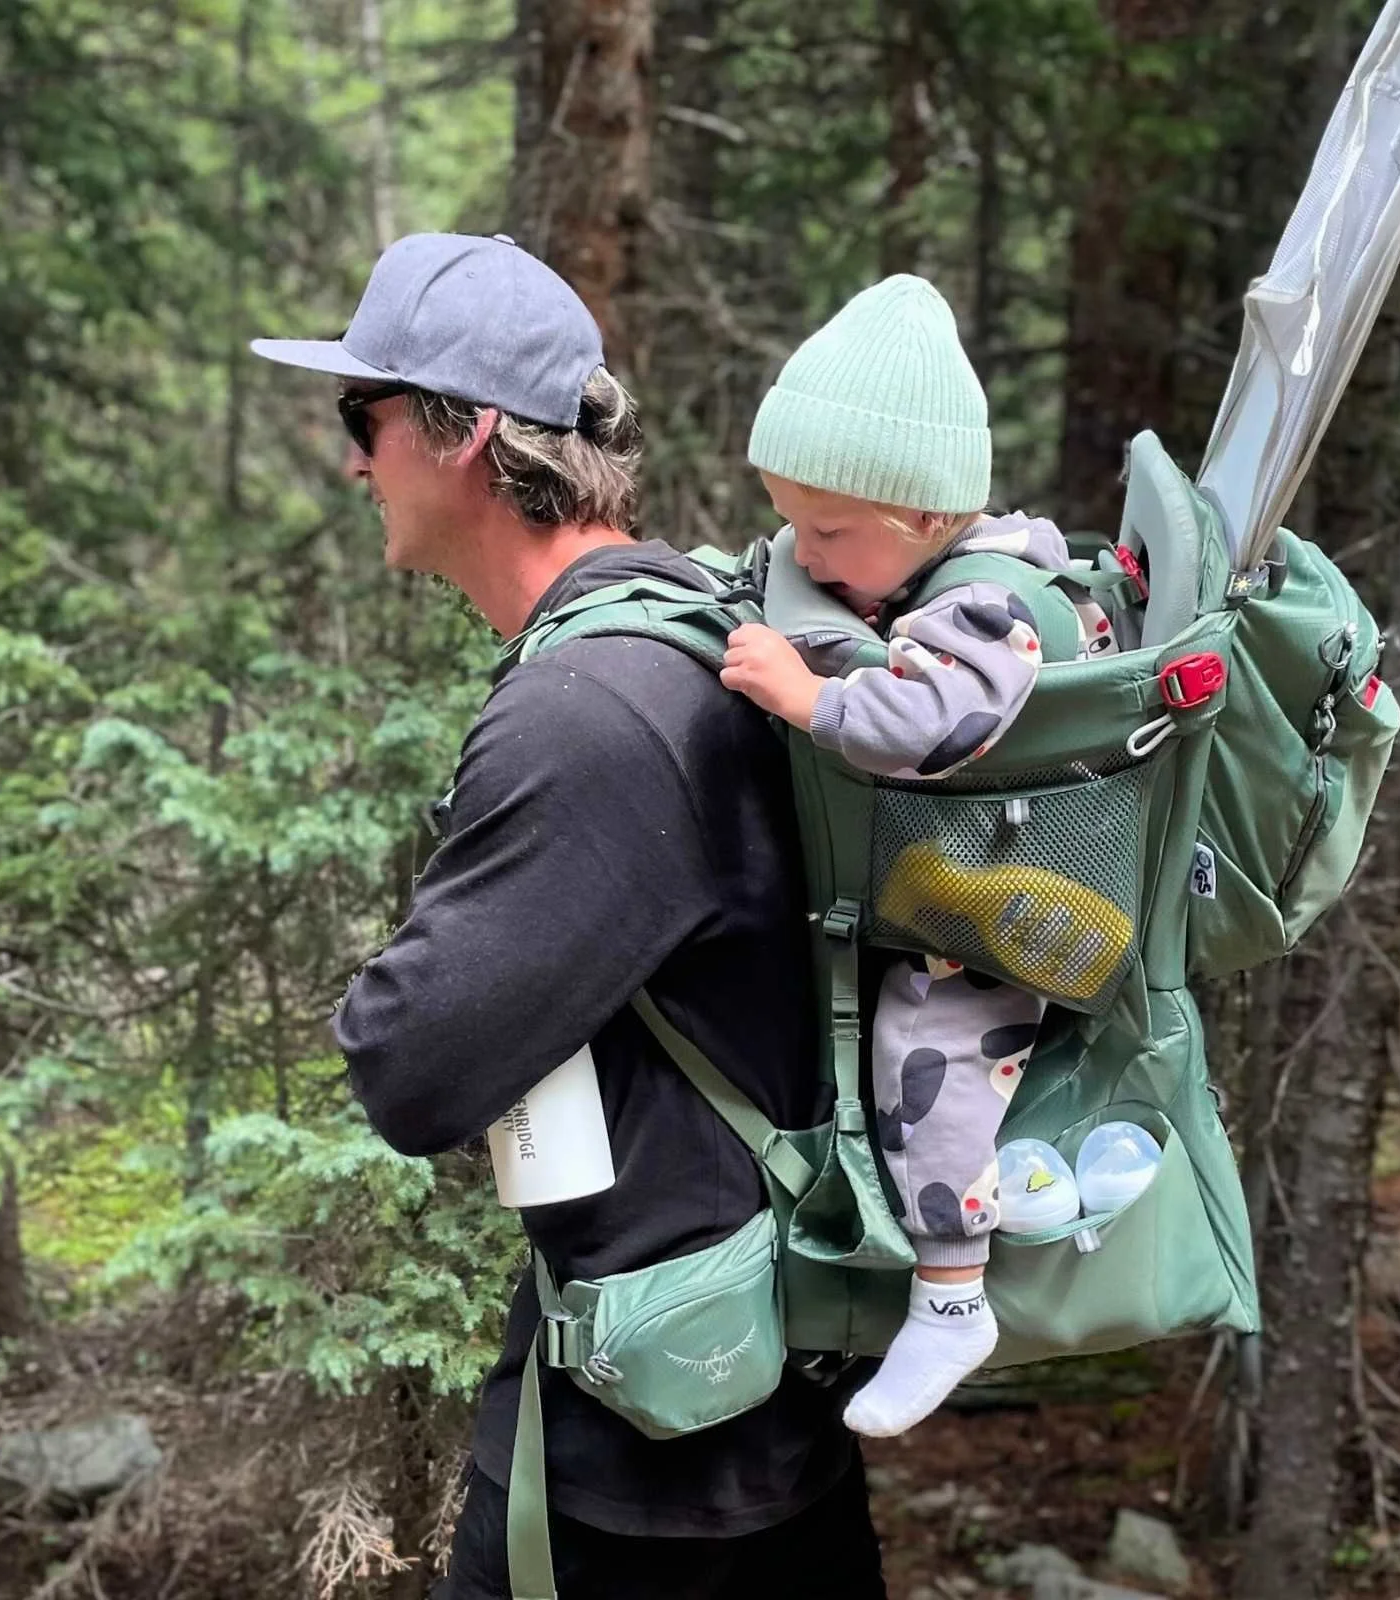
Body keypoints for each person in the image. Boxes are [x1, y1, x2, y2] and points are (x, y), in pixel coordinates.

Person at [253, 233, 885, 1598]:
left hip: (656, 1461)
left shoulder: (587, 712)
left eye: (361, 417)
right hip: (750, 1380)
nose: (353, 463)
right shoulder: (687, 623)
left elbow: (410, 1064)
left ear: (468, 433)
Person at [717, 275, 1113, 1438]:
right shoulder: (944, 566)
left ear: (931, 518)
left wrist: (808, 695)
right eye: (790, 523)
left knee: (923, 1046)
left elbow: (934, 724)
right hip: (980, 867)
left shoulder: (990, 606)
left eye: (829, 534)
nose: (806, 550)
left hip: (1013, 909)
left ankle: (951, 1294)